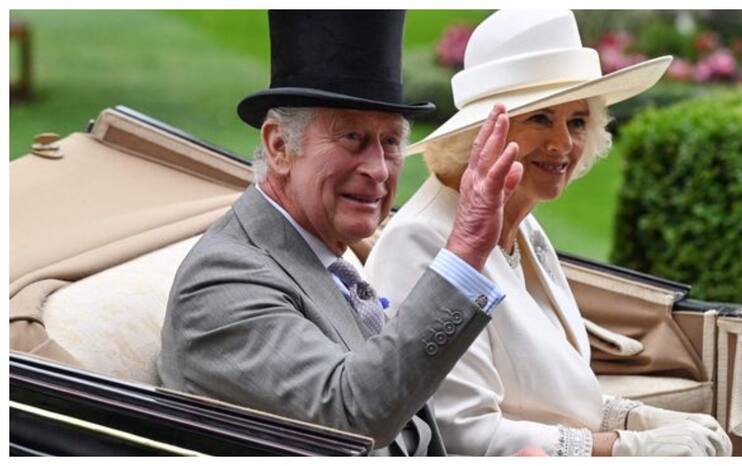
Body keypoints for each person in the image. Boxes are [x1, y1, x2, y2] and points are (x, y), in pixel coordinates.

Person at [158, 11, 535, 457]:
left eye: (390, 142)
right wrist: (466, 248)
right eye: (352, 137)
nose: (378, 170)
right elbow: (351, 416)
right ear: (279, 147)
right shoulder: (223, 281)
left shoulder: (327, 255)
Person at [365, 10, 732, 457]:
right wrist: (624, 447)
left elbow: (557, 398)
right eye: (540, 118)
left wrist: (635, 418)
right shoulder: (420, 241)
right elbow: (460, 432)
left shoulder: (525, 226)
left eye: (577, 121)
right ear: (483, 133)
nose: (562, 143)